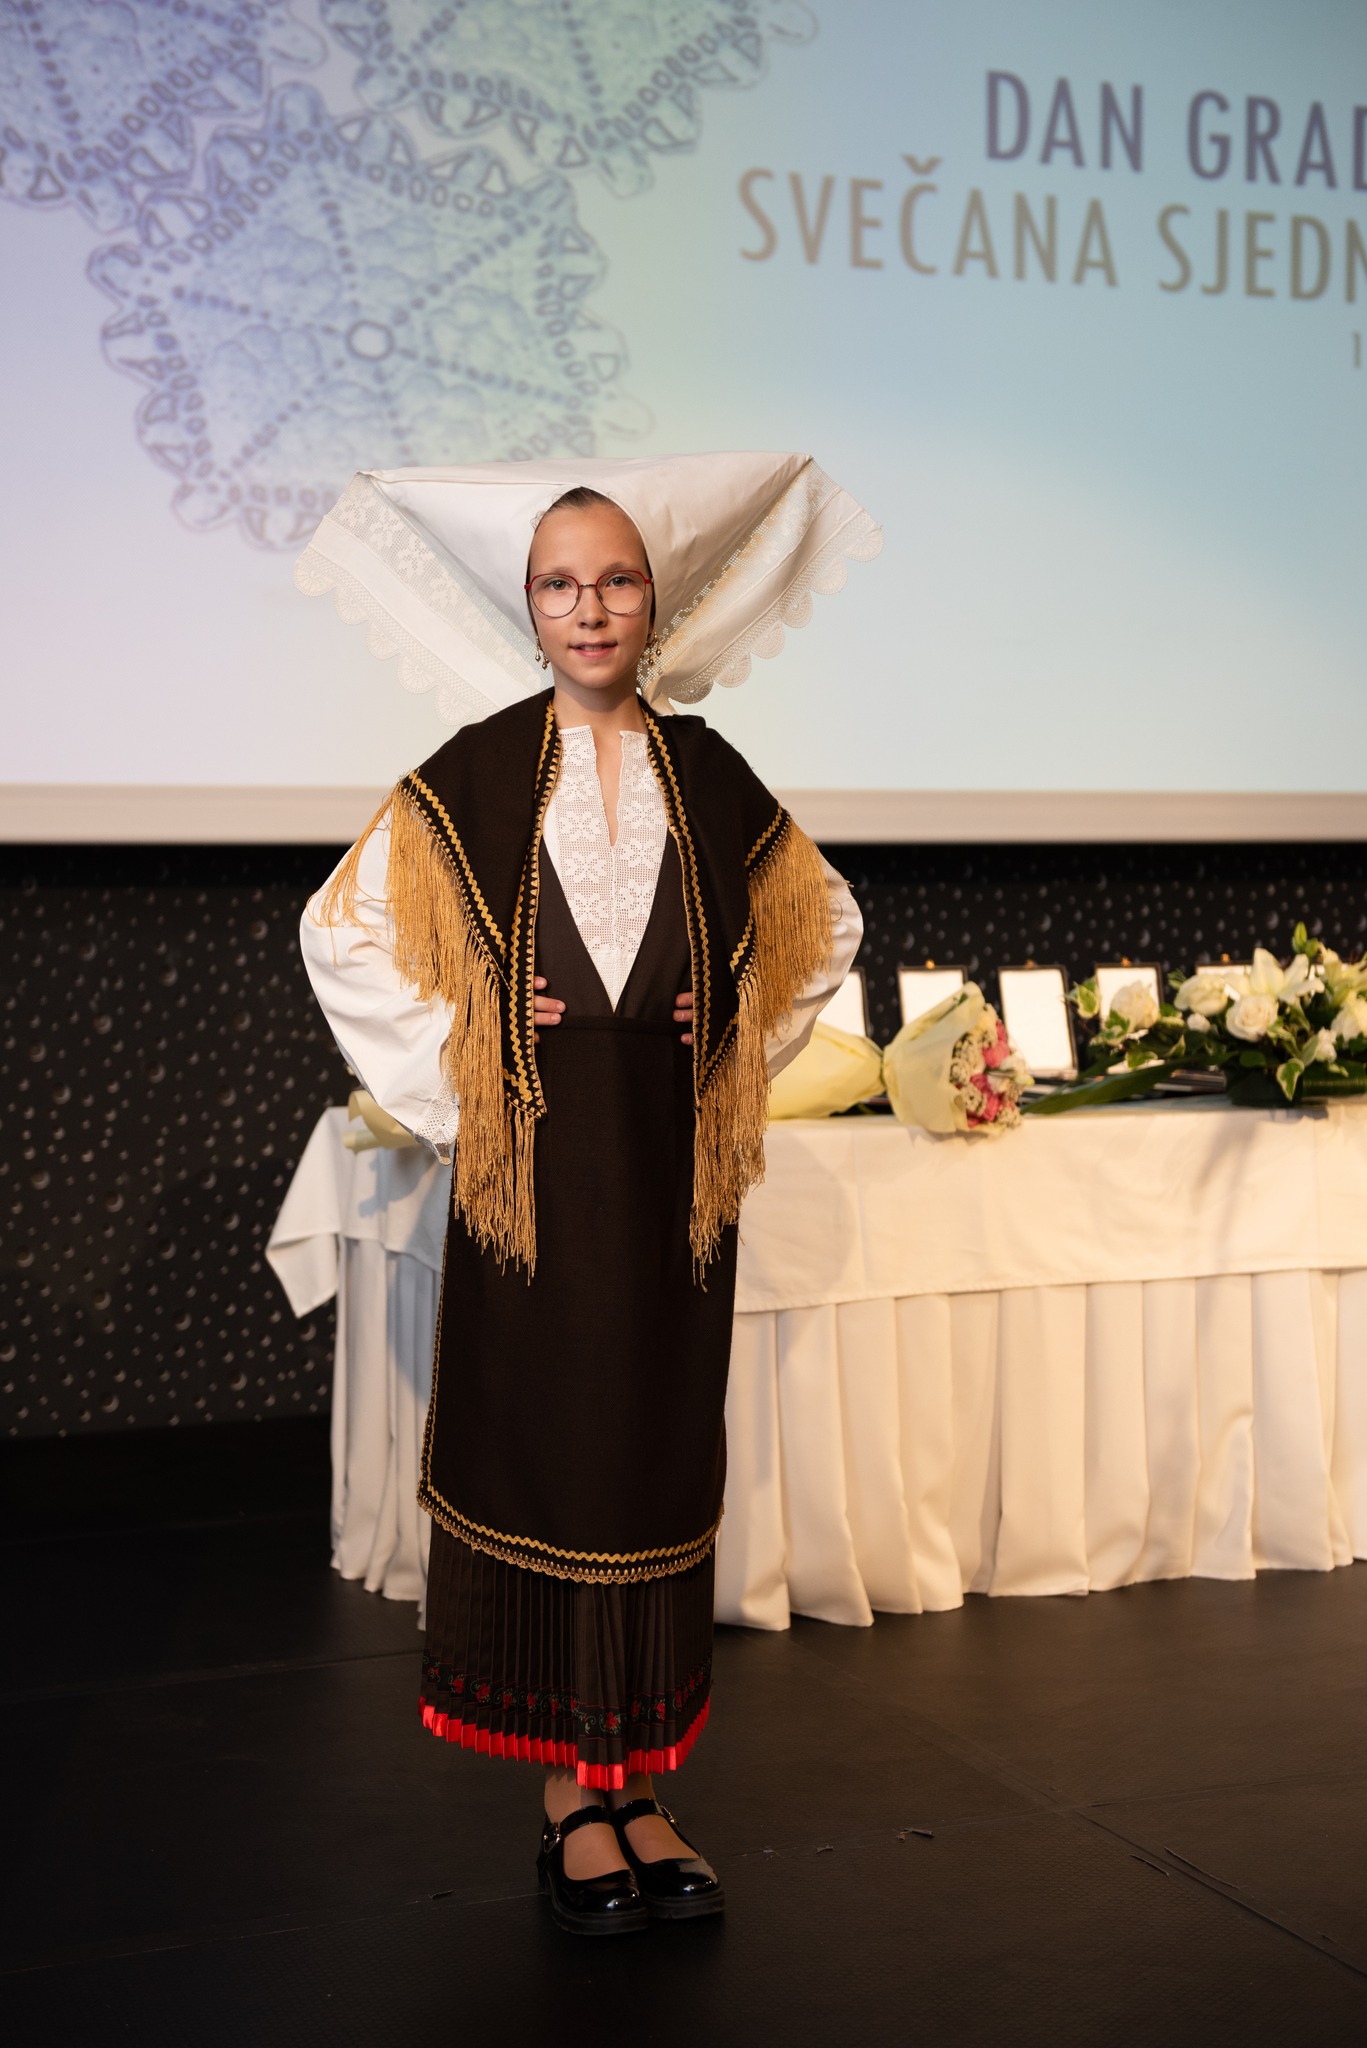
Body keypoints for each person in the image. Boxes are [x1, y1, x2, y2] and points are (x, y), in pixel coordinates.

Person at [298, 453, 876, 1935]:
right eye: (561, 584)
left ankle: (645, 1783)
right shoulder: (477, 772)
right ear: (529, 605)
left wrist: (730, 1027)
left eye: (616, 579)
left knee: (650, 1453)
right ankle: (571, 1796)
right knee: (555, 1449)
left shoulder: (708, 772)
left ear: (654, 598)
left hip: (667, 1176)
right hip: (538, 1180)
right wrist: (473, 1059)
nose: (591, 607)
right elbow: (339, 933)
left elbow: (823, 925)